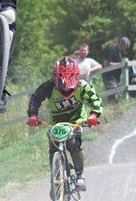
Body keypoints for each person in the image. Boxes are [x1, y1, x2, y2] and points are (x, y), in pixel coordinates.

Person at [27, 57, 103, 191]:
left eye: (69, 89)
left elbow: (95, 99)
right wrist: (33, 115)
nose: (66, 91)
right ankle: (55, 180)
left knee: (73, 144)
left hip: (76, 121)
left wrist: (94, 115)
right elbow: (35, 98)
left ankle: (80, 176)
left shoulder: (82, 85)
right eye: (63, 88)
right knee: (53, 148)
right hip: (57, 123)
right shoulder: (48, 86)